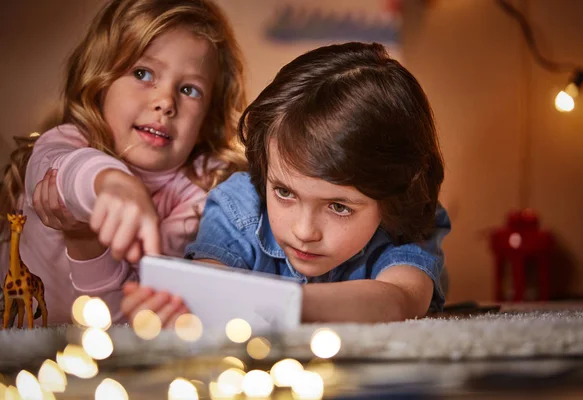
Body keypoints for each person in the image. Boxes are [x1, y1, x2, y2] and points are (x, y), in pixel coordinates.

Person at [122, 42, 451, 325]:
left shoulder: (408, 220)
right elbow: (210, 290)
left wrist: (274, 306)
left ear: (397, 194)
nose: (305, 231)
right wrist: (183, 308)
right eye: (284, 192)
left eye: (339, 207)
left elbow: (399, 300)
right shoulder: (239, 208)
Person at [0, 0, 246, 325]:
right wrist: (111, 182)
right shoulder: (64, 143)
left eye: (190, 89)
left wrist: (87, 242)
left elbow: (130, 323)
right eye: (143, 73)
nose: (165, 102)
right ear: (101, 83)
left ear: (208, 117)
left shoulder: (199, 195)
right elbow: (65, 171)